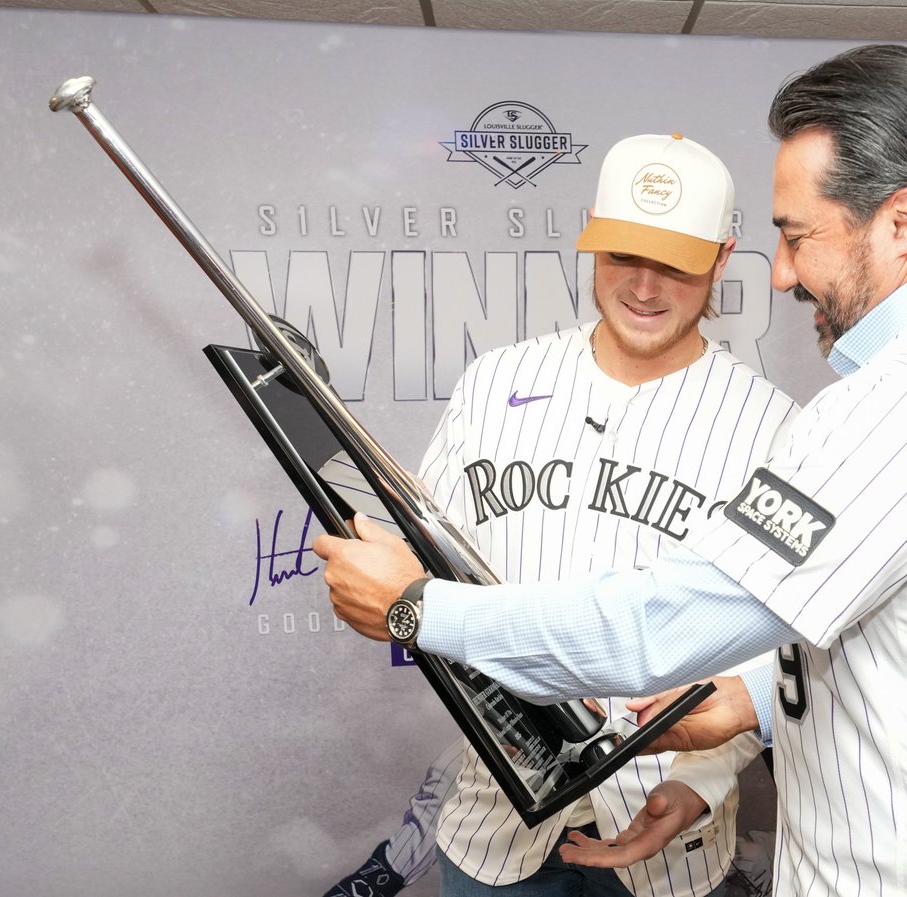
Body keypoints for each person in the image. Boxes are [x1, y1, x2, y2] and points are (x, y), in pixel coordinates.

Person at [313, 44, 907, 896]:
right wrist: (750, 696)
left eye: (797, 235)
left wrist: (417, 606)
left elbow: (653, 630)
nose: (781, 274)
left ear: (902, 221)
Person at [322, 132, 800, 897]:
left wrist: (703, 781)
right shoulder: (496, 380)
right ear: (591, 236)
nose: (644, 287)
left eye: (675, 263)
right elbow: (435, 568)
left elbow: (782, 641)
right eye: (621, 255)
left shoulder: (773, 425)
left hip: (668, 828)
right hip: (493, 818)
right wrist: (383, 577)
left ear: (722, 256)